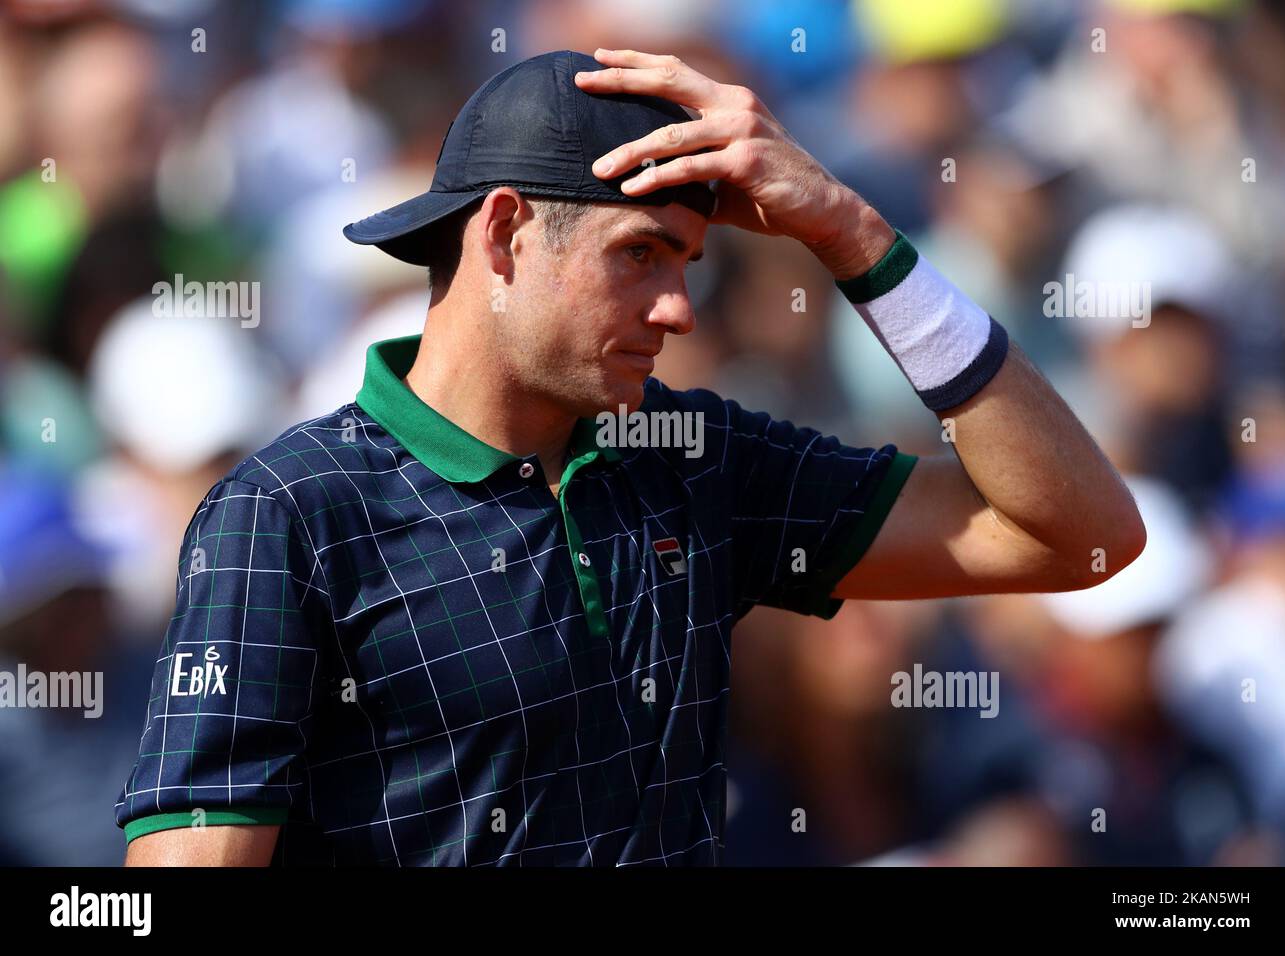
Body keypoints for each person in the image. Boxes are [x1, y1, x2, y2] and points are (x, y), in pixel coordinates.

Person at [117, 48, 1144, 866]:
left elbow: (1082, 537)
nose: (679, 310)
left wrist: (853, 235)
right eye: (640, 254)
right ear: (508, 233)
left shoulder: (692, 453)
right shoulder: (288, 513)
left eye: (686, 264)